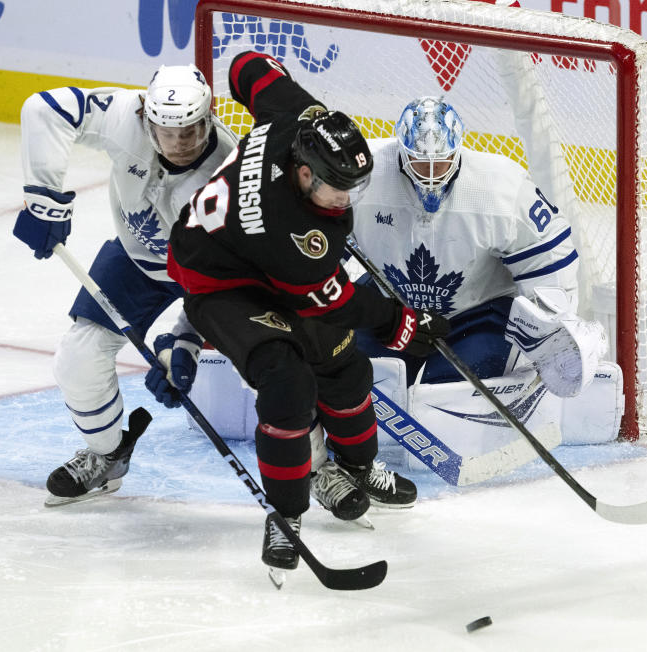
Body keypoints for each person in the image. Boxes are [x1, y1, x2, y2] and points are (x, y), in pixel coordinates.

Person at [166, 51, 450, 573]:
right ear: (303, 173)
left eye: (354, 188)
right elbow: (337, 300)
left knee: (342, 365)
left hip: (258, 258)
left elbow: (246, 69)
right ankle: (286, 512)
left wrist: (255, 68)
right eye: (337, 189)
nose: (347, 200)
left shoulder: (301, 118)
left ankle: (358, 467)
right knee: (289, 382)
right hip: (221, 282)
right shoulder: (297, 237)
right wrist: (402, 323)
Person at [13, 64, 237, 506]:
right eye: (166, 132)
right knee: (78, 357)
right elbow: (43, 109)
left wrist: (185, 345)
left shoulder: (226, 177)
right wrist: (45, 199)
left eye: (190, 131)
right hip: (135, 260)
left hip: (207, 277)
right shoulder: (124, 114)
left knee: (276, 360)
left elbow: (222, 281)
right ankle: (106, 455)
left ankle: (320, 464)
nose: (177, 144)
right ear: (144, 116)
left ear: (209, 116)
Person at [349, 96, 614, 454]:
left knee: (445, 392)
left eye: (440, 162)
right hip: (391, 307)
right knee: (350, 373)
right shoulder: (360, 174)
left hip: (476, 313)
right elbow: (318, 244)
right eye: (419, 163)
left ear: (458, 151)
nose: (430, 175)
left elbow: (551, 252)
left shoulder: (499, 187)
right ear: (401, 152)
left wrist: (551, 320)